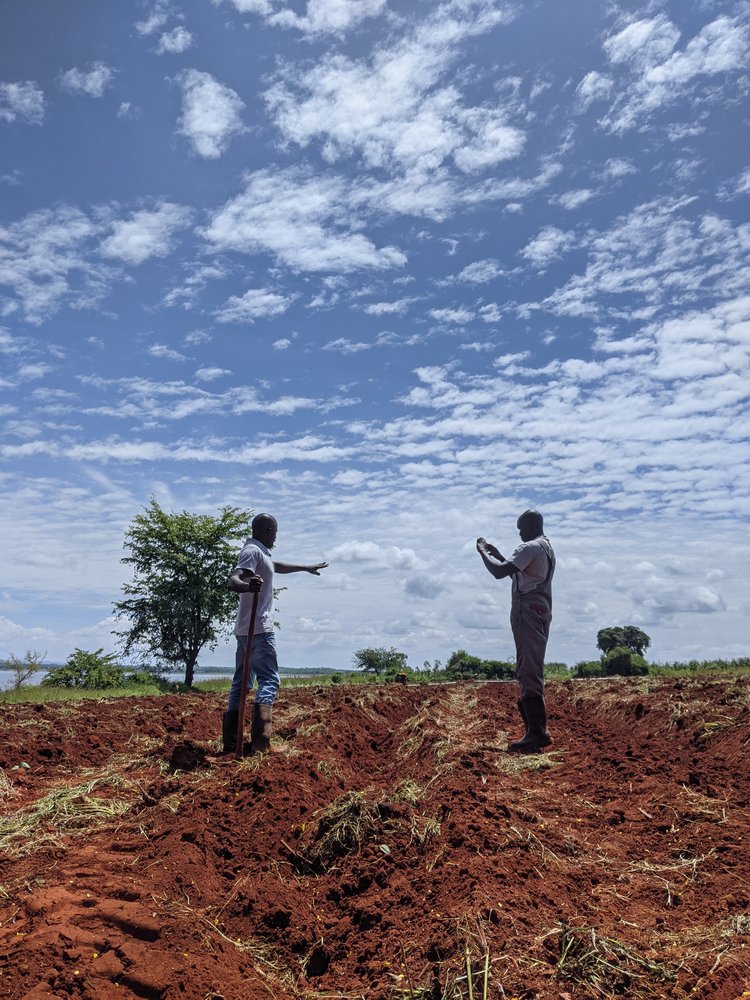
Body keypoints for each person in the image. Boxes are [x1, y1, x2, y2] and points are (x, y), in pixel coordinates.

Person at [222, 513, 327, 754]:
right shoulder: (252, 552)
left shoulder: (260, 553)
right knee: (268, 680)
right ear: (268, 531)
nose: (276, 538)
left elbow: (274, 566)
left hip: (246, 629)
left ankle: (231, 743)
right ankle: (260, 743)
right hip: (259, 628)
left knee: (242, 682)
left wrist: (305, 568)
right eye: (275, 534)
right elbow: (233, 580)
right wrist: (247, 586)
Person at [476, 509, 555, 753]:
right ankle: (536, 731)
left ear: (530, 524)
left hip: (528, 611)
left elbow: (500, 572)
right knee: (528, 666)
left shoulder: (529, 548)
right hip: (540, 609)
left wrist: (481, 552)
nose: (519, 532)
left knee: (528, 669)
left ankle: (536, 733)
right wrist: (499, 555)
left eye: (521, 527)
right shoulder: (546, 547)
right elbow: (519, 574)